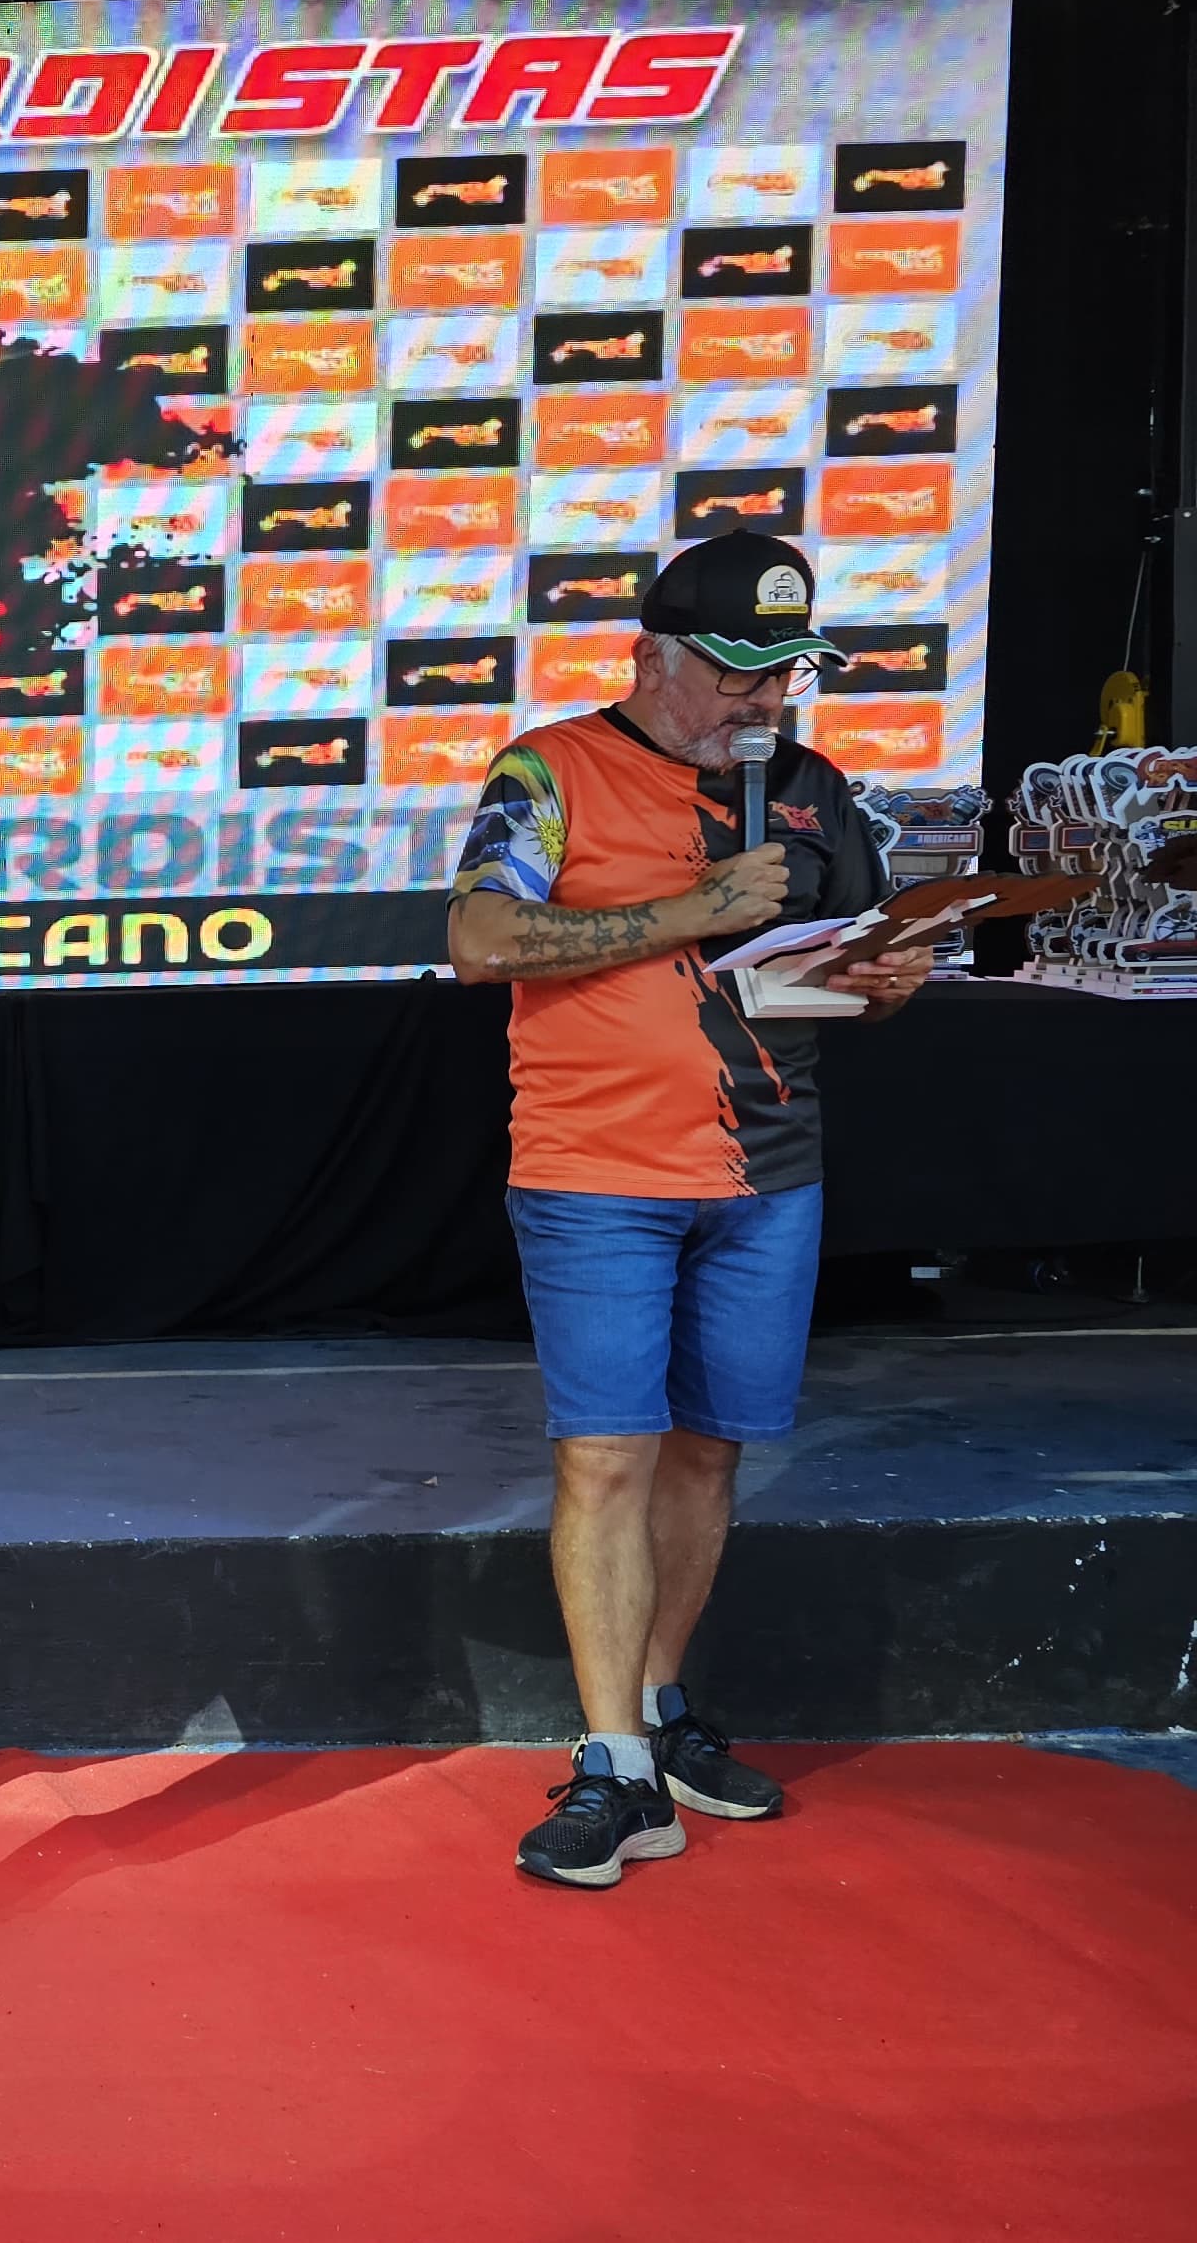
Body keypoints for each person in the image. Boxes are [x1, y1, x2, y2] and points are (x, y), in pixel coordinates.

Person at [447, 530, 931, 1889]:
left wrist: (883, 984)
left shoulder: (814, 789)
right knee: (607, 1457)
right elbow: (479, 941)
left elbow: (848, 958)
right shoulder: (549, 770)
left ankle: (657, 1715)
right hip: (594, 1170)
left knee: (711, 1456)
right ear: (651, 657)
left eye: (786, 674)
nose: (763, 700)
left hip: (769, 1177)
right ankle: (611, 1771)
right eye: (736, 672)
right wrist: (690, 907)